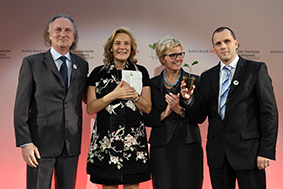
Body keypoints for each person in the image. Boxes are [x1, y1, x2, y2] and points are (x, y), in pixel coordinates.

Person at [180, 27, 278, 189]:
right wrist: (189, 100)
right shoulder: (207, 76)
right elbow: (200, 116)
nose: (223, 46)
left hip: (250, 154)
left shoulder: (256, 70)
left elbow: (269, 113)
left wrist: (266, 151)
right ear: (214, 48)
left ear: (236, 43)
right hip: (218, 155)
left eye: (227, 41)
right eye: (218, 43)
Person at [13, 14, 89, 189]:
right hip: (39, 145)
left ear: (74, 36)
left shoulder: (82, 65)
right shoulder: (32, 63)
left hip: (70, 144)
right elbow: (21, 107)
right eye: (58, 30)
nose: (63, 34)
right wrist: (25, 143)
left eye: (68, 30)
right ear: (49, 35)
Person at [86, 27, 151, 189]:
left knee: (132, 185)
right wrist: (114, 95)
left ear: (132, 48)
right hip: (105, 142)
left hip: (133, 142)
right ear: (111, 47)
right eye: (117, 43)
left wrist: (134, 95)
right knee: (108, 186)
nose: (122, 47)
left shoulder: (140, 72)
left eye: (126, 43)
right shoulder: (98, 73)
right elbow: (90, 108)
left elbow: (148, 108)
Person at [144, 36, 203, 189]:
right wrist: (164, 113)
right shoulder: (152, 84)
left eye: (181, 54)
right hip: (161, 147)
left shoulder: (194, 81)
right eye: (173, 55)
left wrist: (180, 109)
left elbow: (200, 116)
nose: (179, 58)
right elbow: (146, 118)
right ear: (162, 58)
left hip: (189, 145)